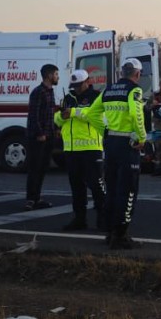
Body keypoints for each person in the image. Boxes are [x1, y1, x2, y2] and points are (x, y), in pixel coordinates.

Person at [101, 58, 147, 247]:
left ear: (122, 72)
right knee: (128, 190)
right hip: (127, 145)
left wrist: (104, 131)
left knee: (111, 189)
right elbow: (137, 114)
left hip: (110, 143)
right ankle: (120, 236)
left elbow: (93, 112)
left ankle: (111, 232)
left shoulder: (108, 90)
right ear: (137, 74)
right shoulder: (134, 90)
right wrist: (142, 138)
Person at [56, 69, 105, 231]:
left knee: (96, 184)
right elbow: (57, 117)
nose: (76, 88)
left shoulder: (96, 96)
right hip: (71, 148)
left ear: (87, 81)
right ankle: (79, 219)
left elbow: (95, 115)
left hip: (91, 147)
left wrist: (74, 112)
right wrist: (61, 116)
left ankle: (103, 218)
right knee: (76, 186)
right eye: (74, 85)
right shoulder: (68, 97)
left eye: (79, 85)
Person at [23, 64, 61, 210]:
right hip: (38, 138)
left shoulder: (50, 92)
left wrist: (55, 129)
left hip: (49, 136)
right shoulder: (38, 92)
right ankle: (31, 199)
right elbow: (34, 115)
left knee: (43, 168)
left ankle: (37, 198)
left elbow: (50, 115)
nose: (58, 77)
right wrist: (40, 134)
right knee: (35, 168)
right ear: (49, 76)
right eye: (56, 74)